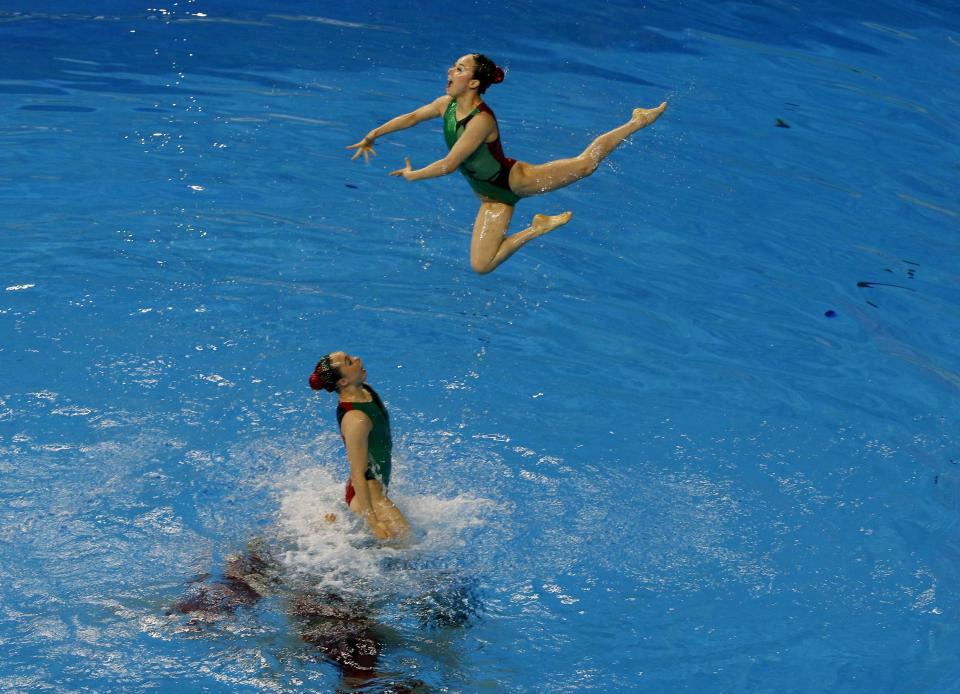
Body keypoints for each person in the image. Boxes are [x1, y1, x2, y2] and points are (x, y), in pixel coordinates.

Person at [347, 53, 667, 274]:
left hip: (515, 181)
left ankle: (636, 121)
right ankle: (538, 228)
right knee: (481, 266)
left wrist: (413, 175)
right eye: (453, 67)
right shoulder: (445, 105)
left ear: (474, 83)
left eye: (459, 69)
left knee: (585, 165)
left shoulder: (480, 121)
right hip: (491, 199)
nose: (450, 72)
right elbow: (413, 117)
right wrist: (374, 134)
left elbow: (449, 164)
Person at [309, 352, 410, 541]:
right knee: (405, 540)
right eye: (349, 362)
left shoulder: (365, 391)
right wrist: (374, 522)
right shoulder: (356, 419)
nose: (358, 359)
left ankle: (334, 524)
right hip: (368, 491)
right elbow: (358, 474)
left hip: (376, 487)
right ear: (343, 382)